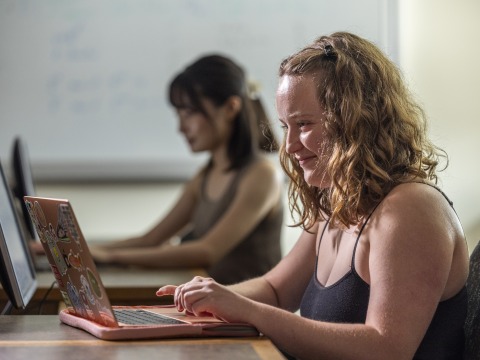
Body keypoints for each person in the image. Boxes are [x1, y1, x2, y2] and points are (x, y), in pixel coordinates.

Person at [156, 32, 470, 359]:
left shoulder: (411, 209)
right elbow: (276, 291)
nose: (289, 146)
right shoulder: (336, 203)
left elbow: (386, 348)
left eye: (303, 124)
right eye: (285, 127)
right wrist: (202, 300)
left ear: (355, 120)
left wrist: (250, 312)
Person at [90, 55, 284, 285]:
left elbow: (207, 251)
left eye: (189, 113)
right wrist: (82, 249)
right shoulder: (206, 175)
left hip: (248, 315)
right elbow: (151, 239)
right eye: (179, 114)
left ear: (231, 108)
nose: (181, 128)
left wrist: (111, 257)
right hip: (211, 306)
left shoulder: (263, 175)